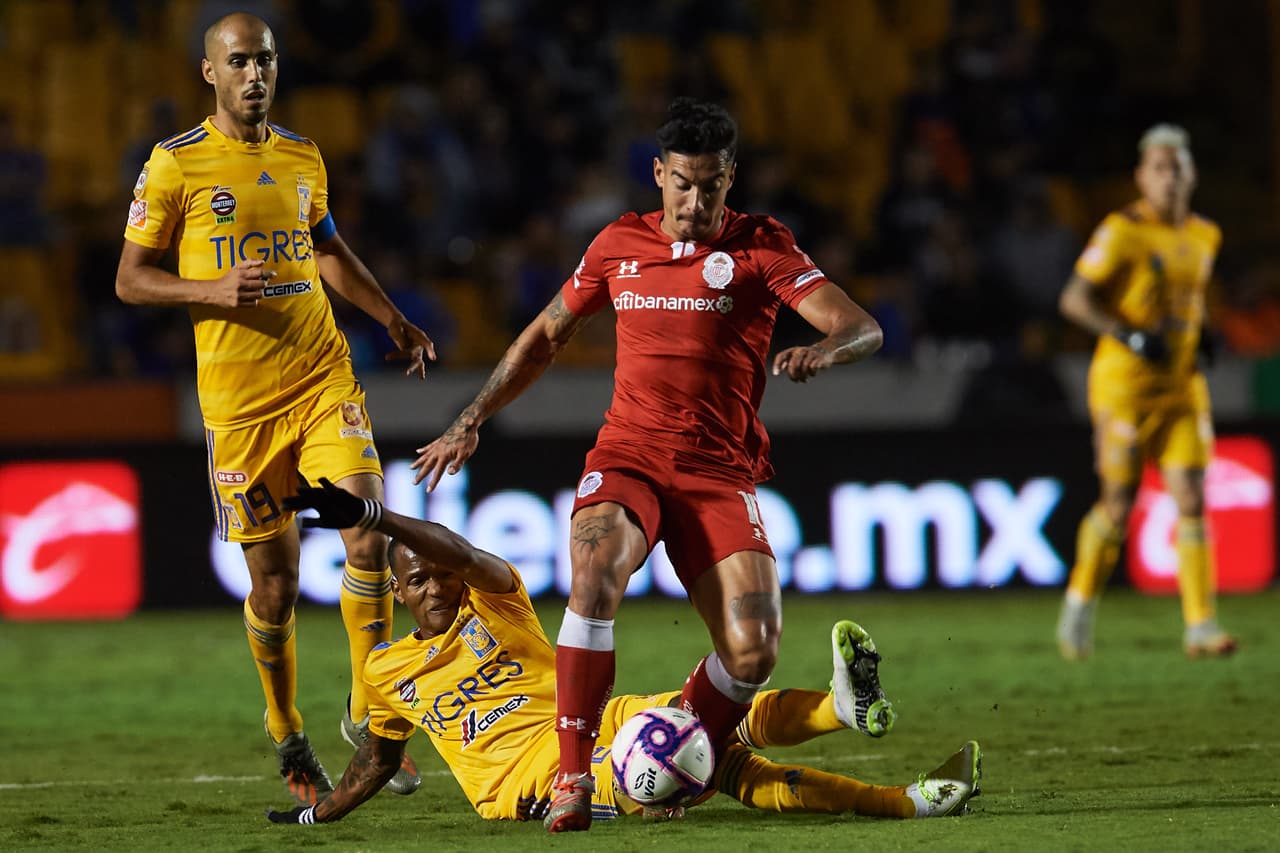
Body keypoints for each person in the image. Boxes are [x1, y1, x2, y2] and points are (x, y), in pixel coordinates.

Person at [411, 97, 887, 832]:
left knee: (753, 651)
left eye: (713, 186)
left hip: (717, 470)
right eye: (683, 185)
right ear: (659, 174)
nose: (696, 202)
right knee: (595, 568)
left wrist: (827, 348)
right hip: (628, 455)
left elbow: (861, 325)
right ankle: (573, 778)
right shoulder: (616, 245)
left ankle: (673, 755)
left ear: (731, 179)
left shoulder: (763, 246)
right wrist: (470, 418)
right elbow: (545, 334)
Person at [114, 12, 433, 804]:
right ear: (209, 73)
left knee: (367, 527)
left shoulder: (301, 155)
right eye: (239, 62)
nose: (254, 75)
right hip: (241, 408)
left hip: (323, 382)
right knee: (276, 588)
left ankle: (370, 710)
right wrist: (209, 289)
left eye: (265, 61)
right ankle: (287, 725)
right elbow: (129, 278)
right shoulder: (175, 166)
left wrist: (389, 316)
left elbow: (325, 247)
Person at [263, 479, 983, 825]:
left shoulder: (497, 599)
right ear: (397, 593)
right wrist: (317, 813)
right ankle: (902, 798)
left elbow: (461, 554)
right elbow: (377, 760)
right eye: (416, 580)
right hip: (533, 783)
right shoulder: (386, 670)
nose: (434, 586)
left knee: (712, 722)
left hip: (597, 725)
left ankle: (840, 711)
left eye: (441, 571)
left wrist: (378, 517)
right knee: (722, 759)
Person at [1055, 123, 1237, 660]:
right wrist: (1126, 333)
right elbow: (1074, 300)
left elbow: (1190, 297)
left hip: (1182, 389)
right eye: (1159, 167)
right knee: (1117, 504)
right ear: (1141, 177)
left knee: (1192, 497)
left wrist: (1200, 332)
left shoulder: (1206, 234)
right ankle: (1080, 606)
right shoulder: (1122, 230)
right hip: (1124, 389)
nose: (1170, 177)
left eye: (1178, 166)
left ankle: (1201, 625)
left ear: (1193, 174)